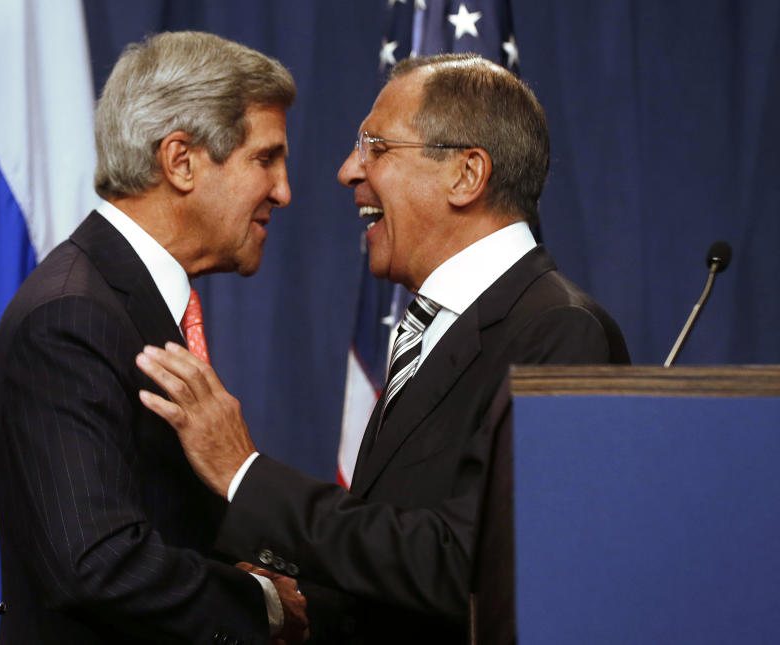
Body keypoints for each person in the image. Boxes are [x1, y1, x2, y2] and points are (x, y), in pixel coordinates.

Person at [136, 53, 631, 643]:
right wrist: (291, 606)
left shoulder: (559, 333)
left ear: (466, 175)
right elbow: (399, 564)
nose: (349, 170)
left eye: (376, 147)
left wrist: (246, 474)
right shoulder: (436, 326)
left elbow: (466, 569)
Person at [0, 31, 308, 644]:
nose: (284, 191)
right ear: (180, 160)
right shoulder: (71, 317)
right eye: (265, 159)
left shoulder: (129, 301)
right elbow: (94, 562)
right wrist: (259, 602)